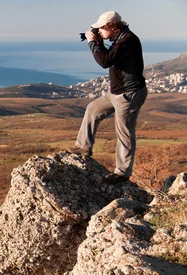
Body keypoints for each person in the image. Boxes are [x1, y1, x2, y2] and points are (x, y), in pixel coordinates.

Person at [72, 11, 148, 184]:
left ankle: (122, 173)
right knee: (92, 109)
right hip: (116, 93)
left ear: (111, 26)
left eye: (101, 29)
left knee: (124, 133)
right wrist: (99, 42)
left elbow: (105, 61)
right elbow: (111, 57)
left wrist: (93, 43)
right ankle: (84, 147)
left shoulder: (127, 41)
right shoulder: (120, 39)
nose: (99, 31)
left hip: (129, 94)